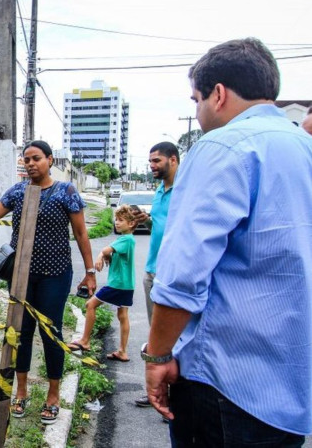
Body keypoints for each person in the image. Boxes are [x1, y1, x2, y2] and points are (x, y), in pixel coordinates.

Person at [145, 38, 312, 445]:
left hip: (223, 381)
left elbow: (183, 275)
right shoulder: (304, 148)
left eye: (196, 100)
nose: (198, 112)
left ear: (218, 94)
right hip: (291, 385)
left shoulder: (221, 148)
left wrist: (157, 356)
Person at [0, 140, 97, 425]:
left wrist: (90, 272)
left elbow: (81, 234)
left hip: (55, 274)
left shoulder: (66, 192)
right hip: (20, 275)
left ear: (50, 160)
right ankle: (21, 391)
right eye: (26, 159)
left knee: (51, 334)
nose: (30, 163)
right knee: (20, 333)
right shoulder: (18, 191)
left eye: (36, 158)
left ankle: (53, 395)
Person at [132, 141, 180, 409]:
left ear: (173, 160)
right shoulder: (160, 190)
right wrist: (145, 219)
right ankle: (156, 392)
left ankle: (174, 397)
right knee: (155, 336)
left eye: (156, 161)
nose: (151, 166)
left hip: (172, 273)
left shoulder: (186, 190)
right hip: (152, 271)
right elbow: (160, 225)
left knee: (175, 337)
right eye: (150, 162)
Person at [68, 205, 137, 363]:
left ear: (131, 223)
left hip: (117, 284)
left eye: (121, 220)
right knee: (122, 315)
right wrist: (108, 256)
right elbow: (114, 255)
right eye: (116, 220)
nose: (116, 223)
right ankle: (122, 351)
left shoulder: (126, 239)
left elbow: (106, 250)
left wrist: (100, 256)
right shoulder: (127, 240)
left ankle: (85, 340)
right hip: (127, 284)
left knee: (90, 305)